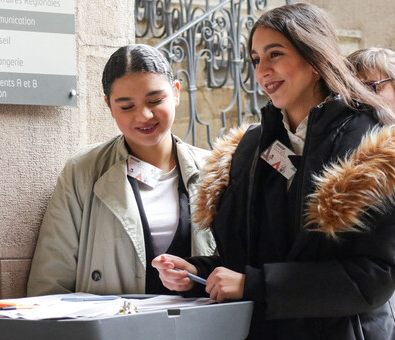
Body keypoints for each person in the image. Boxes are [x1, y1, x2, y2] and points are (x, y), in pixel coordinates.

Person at [152, 3, 395, 339]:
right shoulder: (252, 146)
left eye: (275, 54)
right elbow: (246, 259)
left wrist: (251, 285)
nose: (262, 70)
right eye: (255, 59)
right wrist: (197, 272)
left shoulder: (373, 143)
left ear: (314, 58)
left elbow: (373, 277)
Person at [27, 44, 215, 296]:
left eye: (155, 100)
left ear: (176, 92)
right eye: (126, 106)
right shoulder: (83, 171)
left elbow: (237, 263)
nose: (144, 115)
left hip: (198, 327)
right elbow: (51, 278)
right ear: (108, 105)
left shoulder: (214, 169)